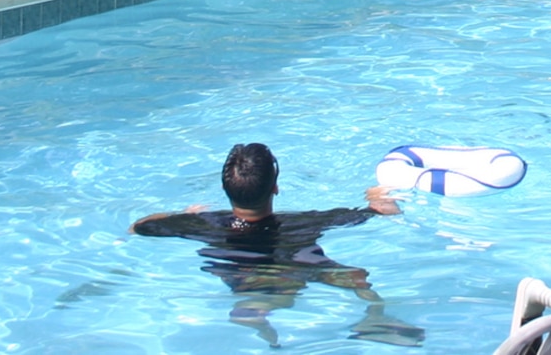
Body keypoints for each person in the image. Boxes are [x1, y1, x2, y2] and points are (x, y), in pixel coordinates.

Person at [134, 142, 420, 346]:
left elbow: (140, 226)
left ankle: (257, 307)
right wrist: (377, 194)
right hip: (295, 265)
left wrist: (186, 214)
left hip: (237, 271)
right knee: (357, 277)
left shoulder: (203, 223)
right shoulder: (305, 222)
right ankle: (374, 316)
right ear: (275, 187)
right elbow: (380, 211)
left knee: (261, 280)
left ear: (225, 189)